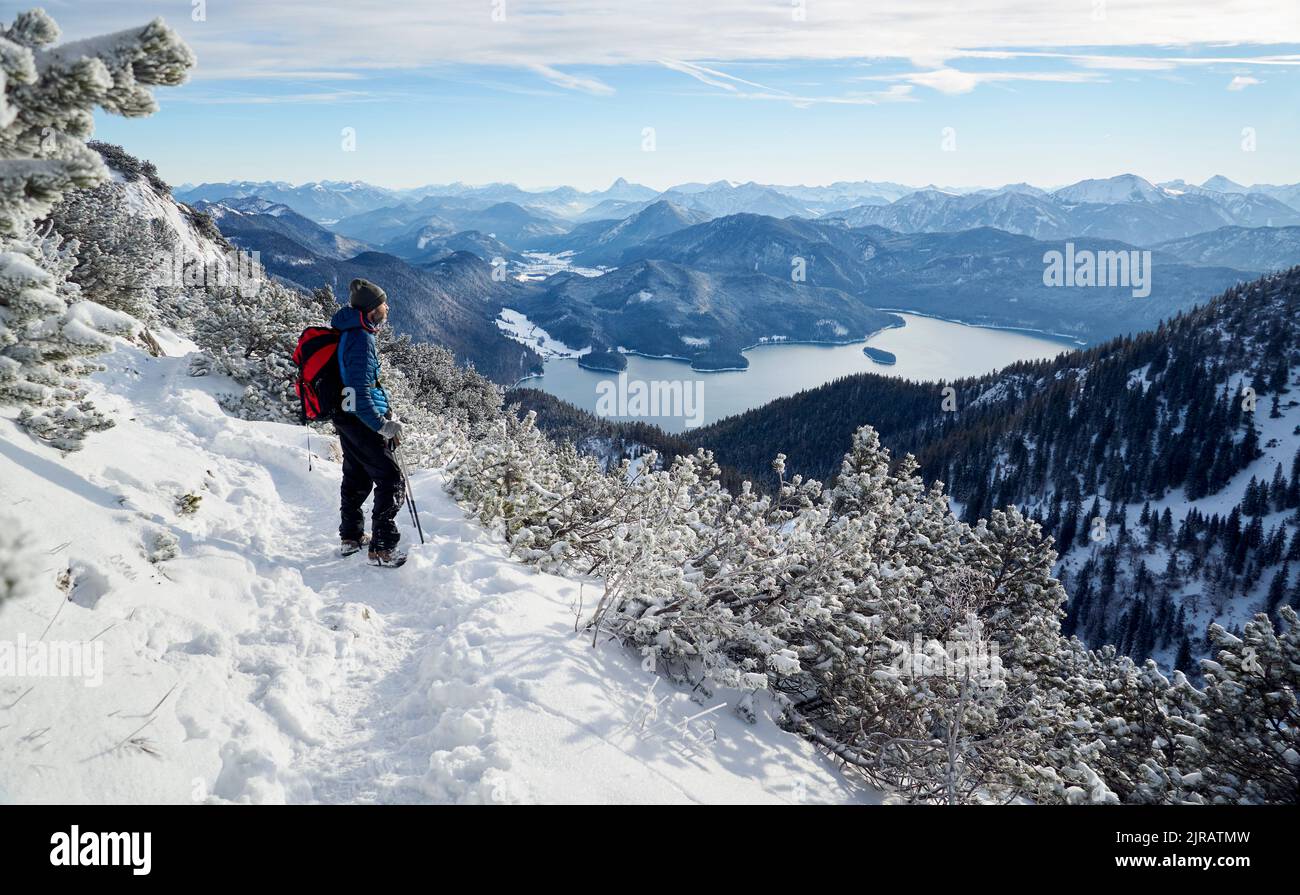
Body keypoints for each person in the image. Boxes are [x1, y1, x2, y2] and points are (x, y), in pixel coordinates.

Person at [331, 278, 406, 565]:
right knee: (390, 479)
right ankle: (383, 547)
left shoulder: (352, 331)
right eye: (383, 303)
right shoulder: (361, 339)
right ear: (372, 309)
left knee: (356, 476)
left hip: (347, 418)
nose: (387, 307)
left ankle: (350, 537)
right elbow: (358, 391)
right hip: (360, 420)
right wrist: (380, 424)